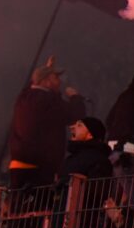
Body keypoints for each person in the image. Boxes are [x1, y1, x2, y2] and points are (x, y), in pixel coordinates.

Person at [8, 56, 87, 190]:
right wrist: (75, 97)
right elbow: (75, 115)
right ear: (46, 82)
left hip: (18, 164)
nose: (59, 82)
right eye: (55, 78)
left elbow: (32, 85)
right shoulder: (48, 101)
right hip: (40, 167)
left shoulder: (24, 97)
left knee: (19, 206)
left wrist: (47, 68)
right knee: (39, 207)